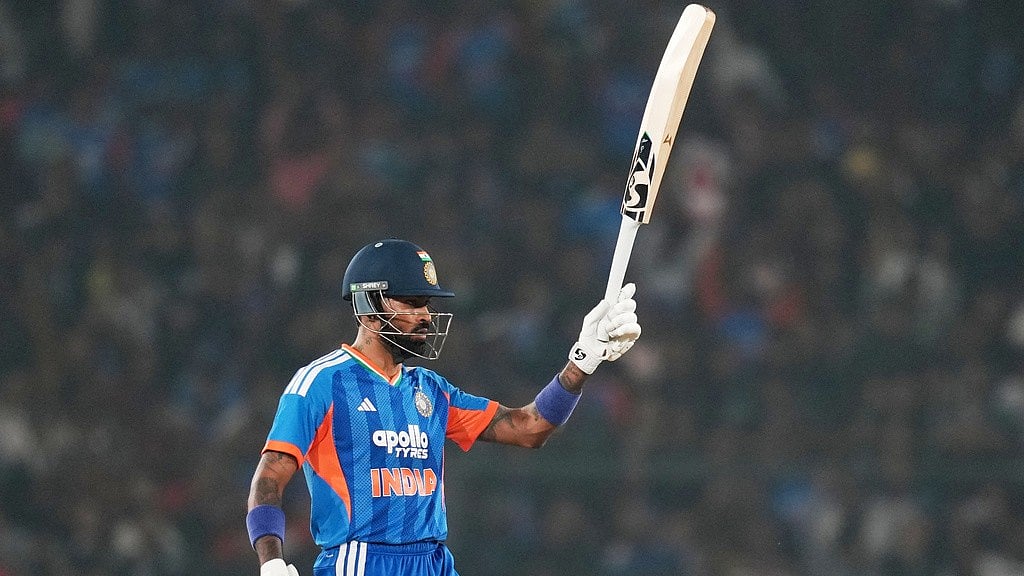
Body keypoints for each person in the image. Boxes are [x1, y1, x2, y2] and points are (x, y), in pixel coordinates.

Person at [245, 239, 642, 576]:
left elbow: (529, 428)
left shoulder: (432, 390)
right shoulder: (321, 382)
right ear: (368, 309)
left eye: (428, 304)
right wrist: (271, 563)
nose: (427, 317)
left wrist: (583, 362)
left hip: (434, 560)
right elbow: (269, 478)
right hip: (363, 559)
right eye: (414, 303)